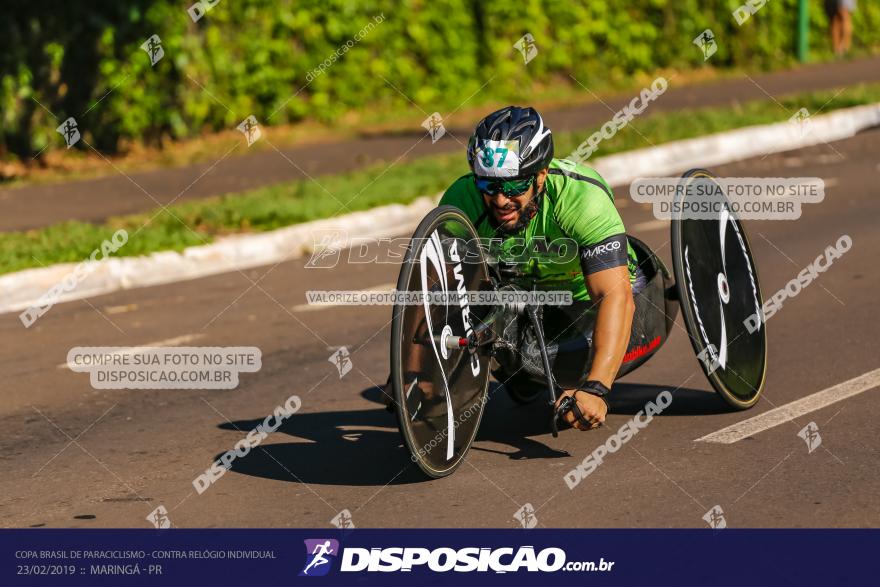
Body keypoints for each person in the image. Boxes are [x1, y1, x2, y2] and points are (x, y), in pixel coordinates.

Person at [386, 106, 641, 431]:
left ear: (541, 175)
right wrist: (411, 373)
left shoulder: (581, 199)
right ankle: (521, 373)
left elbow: (613, 296)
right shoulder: (464, 199)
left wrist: (597, 388)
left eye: (514, 186)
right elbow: (432, 292)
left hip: (585, 305)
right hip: (518, 300)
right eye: (489, 186)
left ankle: (535, 372)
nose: (501, 200)